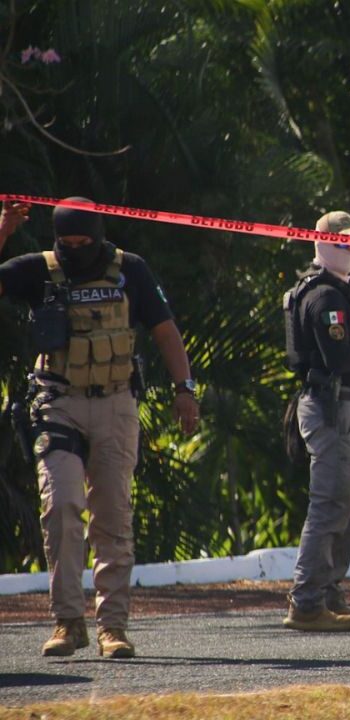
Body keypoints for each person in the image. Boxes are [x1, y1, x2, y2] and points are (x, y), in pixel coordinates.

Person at [0, 198, 200, 658]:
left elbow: (165, 330)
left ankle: (113, 628)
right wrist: (4, 231)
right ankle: (68, 622)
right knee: (62, 506)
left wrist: (184, 389)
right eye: (66, 242)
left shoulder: (131, 270)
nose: (74, 249)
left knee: (112, 518)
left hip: (115, 406)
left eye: (83, 242)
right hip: (58, 403)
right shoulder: (38, 270)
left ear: (99, 235)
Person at [282, 210, 350, 631]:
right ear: (322, 242)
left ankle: (328, 593)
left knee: (349, 505)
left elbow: (345, 339)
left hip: (340, 405)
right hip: (331, 406)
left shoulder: (332, 291)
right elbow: (340, 357)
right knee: (330, 505)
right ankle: (307, 600)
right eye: (344, 241)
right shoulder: (325, 296)